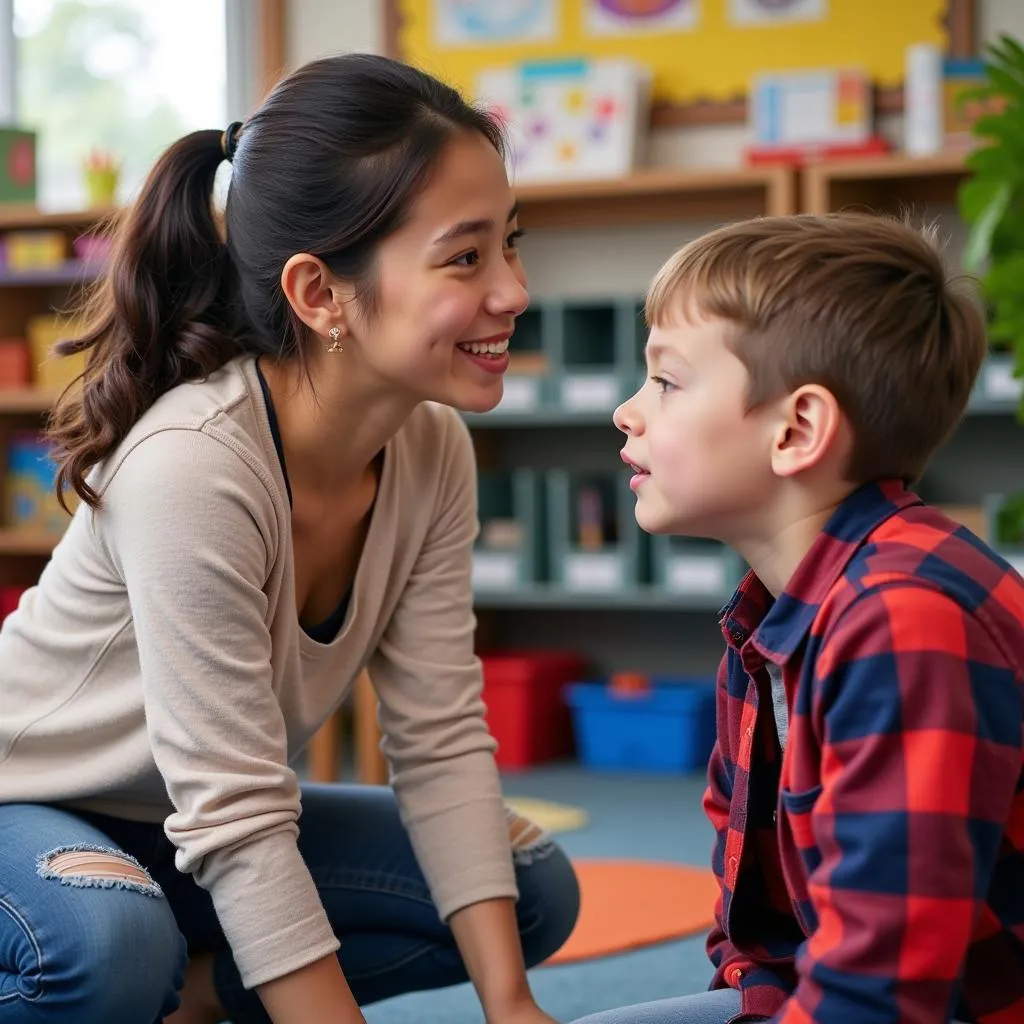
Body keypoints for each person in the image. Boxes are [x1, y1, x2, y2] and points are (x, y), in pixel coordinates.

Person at [0, 53, 579, 1024]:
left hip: (180, 834)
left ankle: (178, 1000)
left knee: (527, 886)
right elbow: (235, 811)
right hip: (27, 809)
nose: (513, 290)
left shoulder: (431, 447)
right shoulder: (192, 462)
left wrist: (512, 1008)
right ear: (319, 295)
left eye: (510, 245)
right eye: (465, 256)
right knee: (108, 952)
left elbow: (436, 737)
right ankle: (136, 985)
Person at [572, 213, 1024, 1024]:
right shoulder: (769, 620)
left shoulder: (905, 619)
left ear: (797, 430)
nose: (626, 412)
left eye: (666, 382)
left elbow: (885, 979)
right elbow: (763, 920)